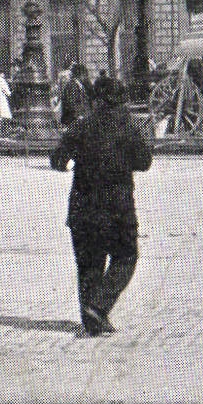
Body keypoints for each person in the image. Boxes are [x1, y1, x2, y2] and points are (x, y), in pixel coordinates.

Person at [50, 73, 153, 336]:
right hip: (118, 209)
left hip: (82, 208)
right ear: (121, 101)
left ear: (96, 99)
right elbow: (144, 162)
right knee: (126, 256)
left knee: (89, 264)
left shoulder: (82, 126)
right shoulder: (128, 126)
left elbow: (57, 160)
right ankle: (98, 306)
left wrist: (76, 160)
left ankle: (91, 318)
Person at [59, 62, 92, 129]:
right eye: (85, 74)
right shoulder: (72, 86)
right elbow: (72, 103)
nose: (86, 77)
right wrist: (80, 115)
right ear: (80, 74)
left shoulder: (78, 85)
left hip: (78, 119)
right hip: (73, 120)